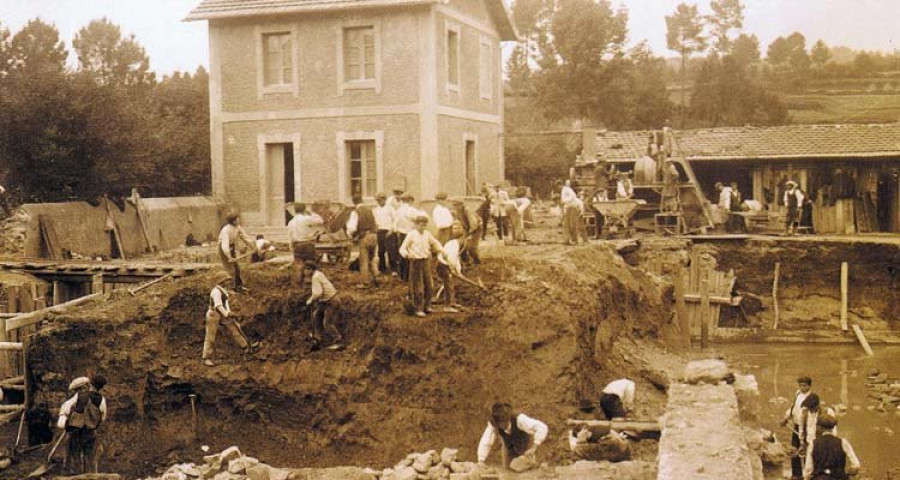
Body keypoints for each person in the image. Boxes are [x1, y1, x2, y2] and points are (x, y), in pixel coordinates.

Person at [202, 274, 258, 366]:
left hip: (222, 313)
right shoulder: (216, 291)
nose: (229, 282)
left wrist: (229, 313)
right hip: (214, 314)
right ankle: (206, 358)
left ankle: (246, 346)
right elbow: (218, 305)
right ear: (222, 281)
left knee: (234, 328)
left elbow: (225, 304)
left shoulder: (223, 290)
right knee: (210, 336)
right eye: (227, 280)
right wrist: (227, 314)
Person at [477, 402, 548, 471]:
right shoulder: (494, 424)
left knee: (528, 471)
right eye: (500, 423)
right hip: (508, 447)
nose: (502, 425)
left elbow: (542, 427)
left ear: (508, 419)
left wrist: (534, 448)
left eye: (505, 422)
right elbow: (486, 441)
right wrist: (481, 460)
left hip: (526, 448)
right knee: (508, 470)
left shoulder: (520, 419)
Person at [58, 376, 107, 475]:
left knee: (74, 455)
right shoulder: (102, 400)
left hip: (76, 431)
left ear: (91, 385)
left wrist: (63, 423)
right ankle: (91, 475)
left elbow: (66, 407)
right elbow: (103, 416)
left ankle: (75, 475)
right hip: (90, 432)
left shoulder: (80, 395)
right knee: (90, 457)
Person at [399, 214, 445, 317]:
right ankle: (418, 308)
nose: (422, 227)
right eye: (420, 225)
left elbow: (435, 243)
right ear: (415, 225)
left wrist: (442, 250)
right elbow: (402, 248)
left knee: (429, 285)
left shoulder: (427, 234)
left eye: (424, 225)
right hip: (415, 262)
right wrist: (407, 254)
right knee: (417, 287)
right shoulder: (411, 235)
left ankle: (427, 306)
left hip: (426, 261)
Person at [803, 413, 860, 480]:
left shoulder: (813, 443)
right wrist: (847, 473)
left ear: (820, 427)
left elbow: (808, 469)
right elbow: (856, 465)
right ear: (833, 427)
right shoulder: (843, 442)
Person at [782, 376, 817, 480]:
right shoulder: (797, 393)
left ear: (810, 386)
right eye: (800, 385)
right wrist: (786, 418)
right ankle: (796, 474)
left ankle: (809, 474)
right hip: (796, 425)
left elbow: (808, 416)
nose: (802, 388)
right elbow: (793, 407)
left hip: (808, 428)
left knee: (806, 450)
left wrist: (804, 434)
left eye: (805, 385)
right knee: (794, 449)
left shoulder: (812, 397)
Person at [305, 261, 343, 350]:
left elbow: (318, 293)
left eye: (307, 270)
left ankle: (338, 340)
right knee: (316, 316)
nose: (305, 272)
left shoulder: (315, 277)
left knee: (327, 323)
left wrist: (310, 300)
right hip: (326, 301)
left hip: (332, 301)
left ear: (311, 270)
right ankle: (319, 338)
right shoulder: (318, 274)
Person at [218, 212, 259, 292]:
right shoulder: (226, 230)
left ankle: (239, 286)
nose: (239, 220)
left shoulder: (238, 227)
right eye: (237, 219)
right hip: (223, 249)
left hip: (231, 247)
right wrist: (229, 256)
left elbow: (245, 238)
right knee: (230, 269)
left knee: (237, 268)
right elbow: (224, 245)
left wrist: (253, 247)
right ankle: (230, 288)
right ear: (233, 221)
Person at [287, 203, 324, 286]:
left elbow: (290, 237)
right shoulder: (306, 219)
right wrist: (312, 213)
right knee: (311, 265)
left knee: (298, 266)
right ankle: (312, 283)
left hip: (296, 245)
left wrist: (291, 247)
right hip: (307, 245)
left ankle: (298, 284)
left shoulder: (291, 222)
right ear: (304, 210)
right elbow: (320, 221)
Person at [346, 195, 379, 288]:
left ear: (354, 202)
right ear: (362, 200)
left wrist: (349, 235)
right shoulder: (370, 210)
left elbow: (352, 227)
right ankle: (376, 277)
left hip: (364, 236)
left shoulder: (355, 212)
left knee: (363, 260)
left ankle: (365, 282)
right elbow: (376, 223)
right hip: (374, 235)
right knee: (372, 258)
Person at [436, 226, 464, 313]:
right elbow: (451, 259)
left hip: (446, 264)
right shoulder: (454, 245)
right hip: (443, 265)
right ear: (461, 238)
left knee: (451, 284)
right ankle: (447, 306)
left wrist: (458, 270)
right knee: (448, 285)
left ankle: (452, 302)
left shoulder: (455, 244)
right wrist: (452, 269)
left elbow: (456, 258)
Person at [393, 194, 418, 281]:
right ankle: (411, 276)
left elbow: (395, 226)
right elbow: (417, 222)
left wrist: (398, 231)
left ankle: (403, 276)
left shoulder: (398, 211)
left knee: (402, 254)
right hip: (411, 234)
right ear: (410, 200)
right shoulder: (413, 210)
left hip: (401, 234)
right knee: (412, 253)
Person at [373, 193, 396, 276]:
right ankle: (382, 269)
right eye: (378, 200)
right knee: (381, 251)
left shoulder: (390, 209)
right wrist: (376, 229)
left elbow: (395, 220)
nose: (379, 202)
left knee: (391, 251)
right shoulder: (375, 210)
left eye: (381, 200)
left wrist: (392, 230)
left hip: (389, 232)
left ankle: (394, 269)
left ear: (385, 200)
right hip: (380, 232)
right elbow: (375, 222)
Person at [561, 180, 580, 245]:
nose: (568, 184)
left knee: (572, 224)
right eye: (567, 183)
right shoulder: (565, 190)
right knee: (566, 225)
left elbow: (572, 197)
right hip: (568, 207)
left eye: (569, 183)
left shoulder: (569, 190)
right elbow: (563, 200)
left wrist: (566, 201)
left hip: (572, 207)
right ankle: (567, 240)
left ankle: (574, 239)